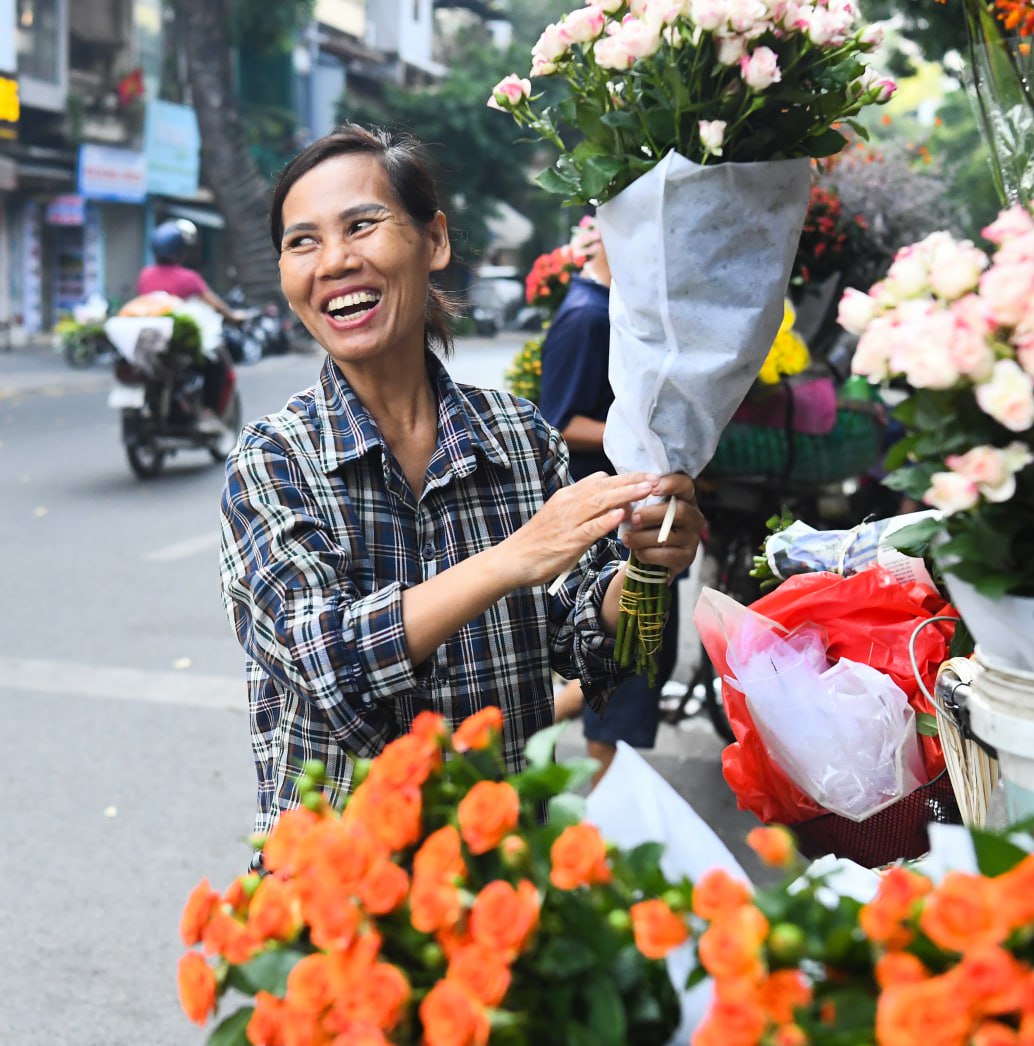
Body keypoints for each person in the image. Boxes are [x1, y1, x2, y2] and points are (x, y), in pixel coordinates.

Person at [218, 125, 704, 847]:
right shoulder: (273, 461)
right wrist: (512, 559)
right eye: (303, 241)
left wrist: (646, 568)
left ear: (433, 240)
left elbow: (596, 653)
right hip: (343, 896)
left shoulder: (520, 436)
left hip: (503, 877)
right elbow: (325, 664)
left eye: (361, 225)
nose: (336, 261)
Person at [538, 228, 684, 786]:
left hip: (627, 518)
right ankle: (601, 820)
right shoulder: (587, 318)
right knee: (622, 674)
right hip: (609, 524)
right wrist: (646, 442)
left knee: (629, 665)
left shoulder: (612, 313)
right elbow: (559, 421)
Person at [137, 219, 245, 433]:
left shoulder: (145, 275)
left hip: (150, 344)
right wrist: (233, 316)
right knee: (216, 368)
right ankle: (207, 412)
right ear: (180, 251)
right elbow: (215, 303)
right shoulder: (188, 278)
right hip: (177, 345)